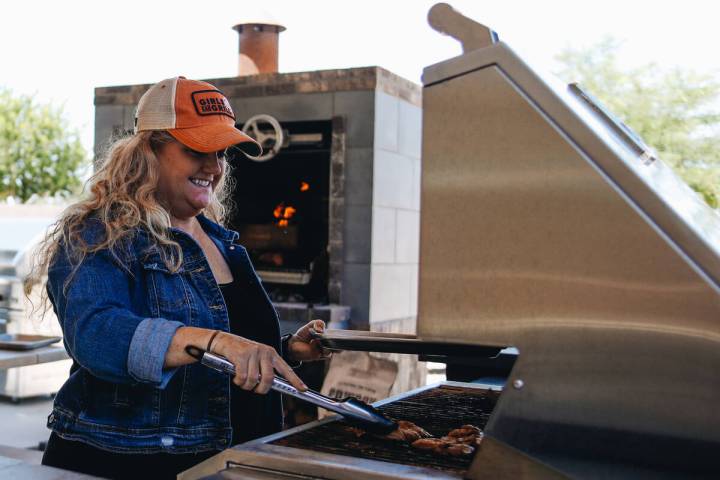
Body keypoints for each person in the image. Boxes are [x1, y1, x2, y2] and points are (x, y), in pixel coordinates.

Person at [26, 76, 329, 479]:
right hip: (127, 463)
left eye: (220, 152)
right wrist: (218, 342)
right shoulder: (99, 232)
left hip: (230, 459)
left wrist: (282, 351)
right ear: (147, 151)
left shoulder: (222, 242)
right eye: (196, 149)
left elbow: (221, 342)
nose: (214, 166)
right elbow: (96, 335)